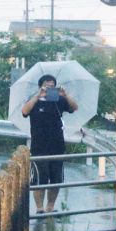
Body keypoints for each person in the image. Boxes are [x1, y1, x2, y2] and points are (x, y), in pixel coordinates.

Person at [21, 74, 79, 214]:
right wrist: (38, 95)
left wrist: (65, 95)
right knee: (40, 179)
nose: (50, 89)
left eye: (52, 87)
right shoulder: (34, 101)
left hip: (57, 145)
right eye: (47, 86)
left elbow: (74, 107)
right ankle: (39, 208)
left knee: (56, 179)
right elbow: (24, 111)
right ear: (41, 86)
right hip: (39, 147)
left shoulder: (59, 101)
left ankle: (50, 207)